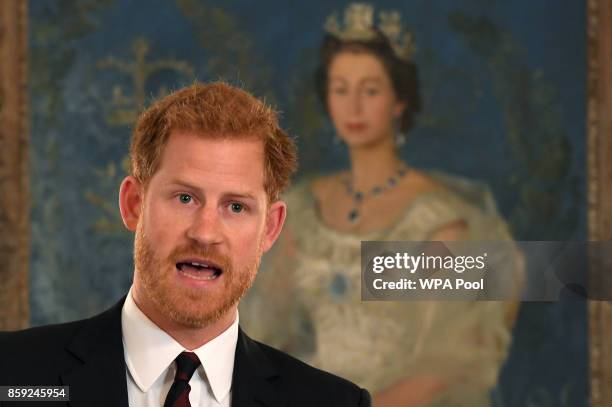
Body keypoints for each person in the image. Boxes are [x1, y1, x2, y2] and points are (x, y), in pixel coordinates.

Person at [0, 82, 371, 407]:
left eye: (236, 206)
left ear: (270, 229)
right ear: (134, 204)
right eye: (184, 198)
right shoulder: (12, 375)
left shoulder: (334, 402)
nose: (205, 232)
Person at [241, 4, 522, 406]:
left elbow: (444, 366)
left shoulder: (441, 221)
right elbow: (266, 336)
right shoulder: (302, 208)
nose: (354, 106)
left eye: (370, 90)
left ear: (399, 101)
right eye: (341, 89)